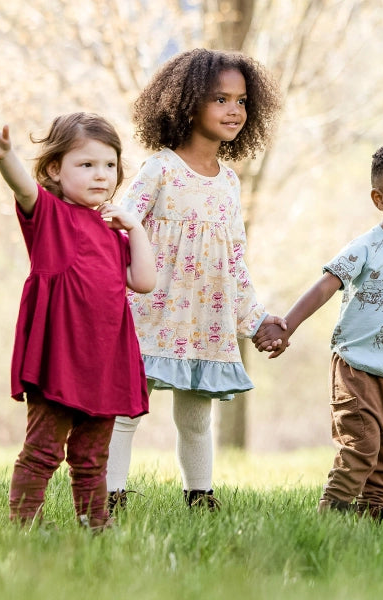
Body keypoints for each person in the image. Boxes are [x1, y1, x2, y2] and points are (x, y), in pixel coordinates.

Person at [106, 48, 284, 511]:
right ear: (185, 103)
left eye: (242, 101)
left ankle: (200, 495)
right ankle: (110, 494)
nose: (234, 110)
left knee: (196, 412)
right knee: (126, 408)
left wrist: (257, 320)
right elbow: (119, 227)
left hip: (203, 316)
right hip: (150, 310)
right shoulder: (161, 168)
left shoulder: (229, 182)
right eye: (220, 99)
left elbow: (235, 261)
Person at [0, 113, 156, 530]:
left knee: (92, 460)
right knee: (43, 451)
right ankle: (23, 528)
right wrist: (4, 157)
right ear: (55, 169)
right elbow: (24, 187)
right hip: (60, 360)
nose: (101, 175)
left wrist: (136, 227)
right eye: (86, 165)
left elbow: (144, 281)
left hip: (105, 364)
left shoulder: (114, 234)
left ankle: (95, 530)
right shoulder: (49, 216)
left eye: (109, 165)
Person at [254, 141, 383, 521]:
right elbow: (326, 285)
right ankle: (332, 512)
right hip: (358, 370)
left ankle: (374, 509)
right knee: (360, 447)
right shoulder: (367, 248)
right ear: (379, 198)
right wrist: (287, 326)